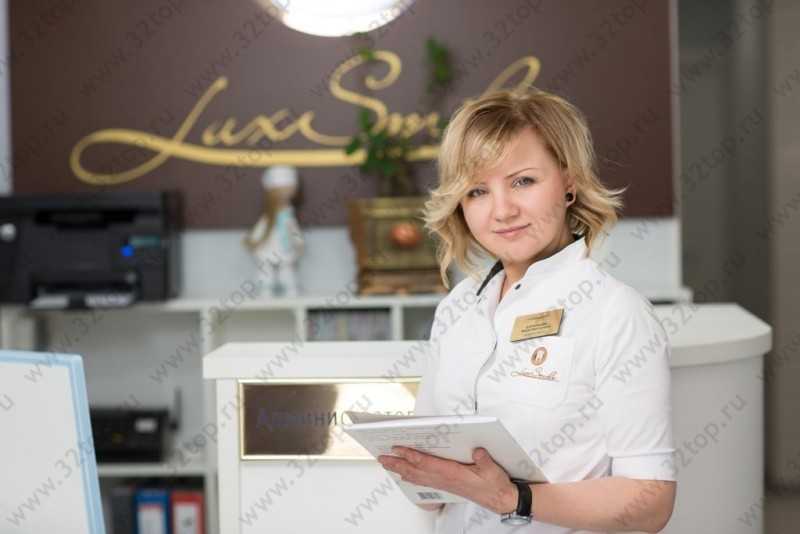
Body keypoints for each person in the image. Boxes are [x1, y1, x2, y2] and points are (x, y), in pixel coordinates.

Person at [377, 87, 677, 533]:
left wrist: (511, 498)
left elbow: (651, 502)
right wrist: (417, 469)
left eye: (523, 181)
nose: (502, 211)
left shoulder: (616, 313)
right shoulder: (458, 308)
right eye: (478, 190)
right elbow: (433, 491)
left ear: (568, 181)